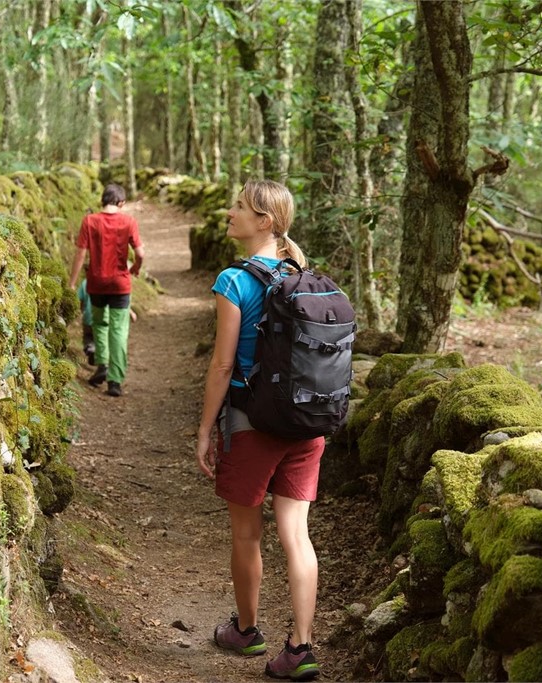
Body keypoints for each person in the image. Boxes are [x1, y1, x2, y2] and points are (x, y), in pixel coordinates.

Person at [195, 180, 323, 681]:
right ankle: (300, 647)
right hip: (307, 423)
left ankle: (247, 632)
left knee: (247, 533)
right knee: (297, 535)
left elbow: (223, 365)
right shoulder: (302, 273)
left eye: (239, 208)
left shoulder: (234, 281)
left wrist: (206, 429)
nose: (229, 213)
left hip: (252, 421)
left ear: (264, 221)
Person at [68, 184, 145, 397]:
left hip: (96, 284)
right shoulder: (128, 221)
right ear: (121, 203)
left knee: (100, 324)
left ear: (103, 201)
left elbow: (80, 255)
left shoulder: (90, 221)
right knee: (119, 330)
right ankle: (115, 381)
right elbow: (140, 253)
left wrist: (72, 282)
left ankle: (102, 365)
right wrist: (136, 268)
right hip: (120, 285)